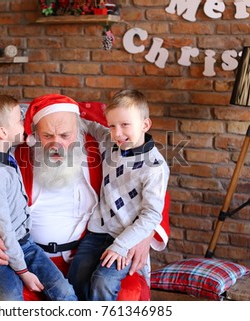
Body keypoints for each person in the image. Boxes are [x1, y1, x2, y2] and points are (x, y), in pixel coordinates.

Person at [0, 93, 170, 301]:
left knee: (126, 294)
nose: (57, 144)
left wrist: (146, 233)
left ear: (79, 130)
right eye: (47, 135)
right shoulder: (15, 156)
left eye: (65, 135)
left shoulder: (101, 148)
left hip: (95, 254)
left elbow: (152, 187)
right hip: (32, 259)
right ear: (33, 134)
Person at [0, 95, 77, 300]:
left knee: (65, 293)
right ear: (2, 132)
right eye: (19, 120)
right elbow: (4, 228)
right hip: (2, 247)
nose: (24, 124)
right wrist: (23, 272)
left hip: (25, 243)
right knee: (11, 298)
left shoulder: (1, 150)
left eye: (64, 134)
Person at [68, 89, 169, 300]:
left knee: (103, 282)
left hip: (127, 238)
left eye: (125, 125)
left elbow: (152, 215)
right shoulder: (111, 142)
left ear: (145, 124)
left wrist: (122, 246)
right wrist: (67, 114)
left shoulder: (155, 167)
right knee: (76, 277)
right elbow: (91, 126)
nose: (117, 133)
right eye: (112, 125)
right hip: (98, 231)